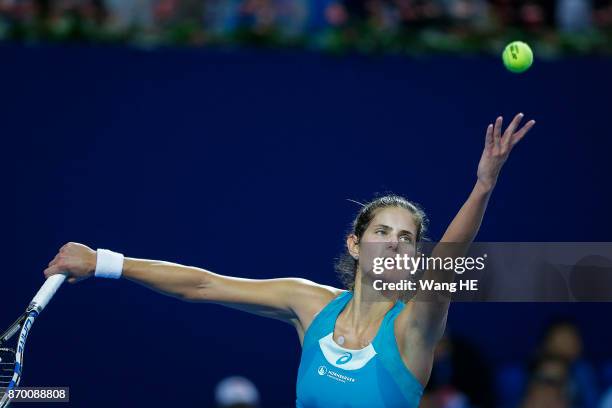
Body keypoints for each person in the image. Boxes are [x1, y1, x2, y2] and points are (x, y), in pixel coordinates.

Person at [43, 113, 535, 408]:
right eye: (381, 232)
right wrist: (106, 261)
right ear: (354, 245)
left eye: (406, 239)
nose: (392, 243)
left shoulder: (414, 328)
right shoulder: (308, 304)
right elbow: (204, 285)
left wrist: (484, 185)